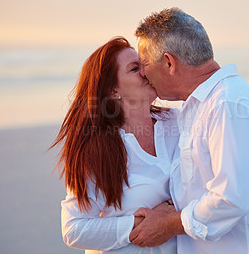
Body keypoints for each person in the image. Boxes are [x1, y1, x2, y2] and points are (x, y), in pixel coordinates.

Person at [129, 7, 249, 254]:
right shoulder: (199, 107)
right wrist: (171, 205)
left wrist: (167, 225)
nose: (143, 73)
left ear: (169, 62)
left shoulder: (228, 105)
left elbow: (230, 199)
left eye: (144, 63)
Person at [51, 37, 179, 254]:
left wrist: (169, 217)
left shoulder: (179, 122)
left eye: (145, 64)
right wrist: (138, 226)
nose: (146, 72)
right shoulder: (98, 149)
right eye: (134, 68)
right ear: (113, 90)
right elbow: (74, 229)